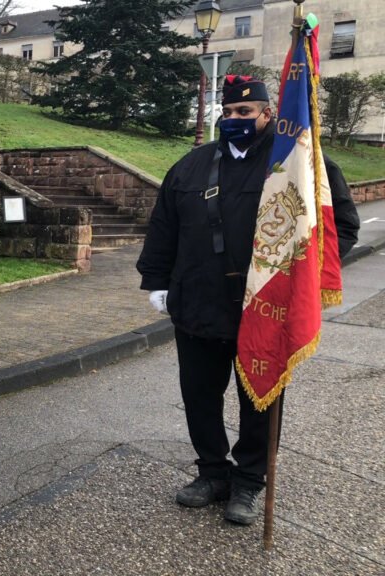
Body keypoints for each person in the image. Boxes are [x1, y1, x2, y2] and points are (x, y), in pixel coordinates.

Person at [136, 76, 360, 526]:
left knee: (260, 401)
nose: (235, 120)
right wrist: (156, 282)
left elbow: (340, 230)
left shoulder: (298, 165)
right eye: (229, 113)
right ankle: (212, 473)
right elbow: (164, 228)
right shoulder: (191, 166)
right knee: (199, 396)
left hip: (264, 309)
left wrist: (300, 278)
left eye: (245, 113)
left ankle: (249, 482)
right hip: (197, 300)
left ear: (267, 114)